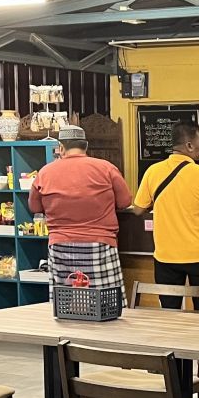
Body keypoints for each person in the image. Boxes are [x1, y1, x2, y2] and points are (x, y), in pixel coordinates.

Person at [28, 125, 132, 299]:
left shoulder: (45, 172)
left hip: (60, 246)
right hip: (100, 244)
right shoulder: (106, 168)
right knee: (106, 302)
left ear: (61, 147)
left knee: (65, 303)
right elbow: (125, 201)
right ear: (86, 146)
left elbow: (35, 207)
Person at [133, 123, 199, 311]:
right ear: (189, 146)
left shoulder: (153, 172)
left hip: (166, 257)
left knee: (170, 314)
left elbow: (138, 209)